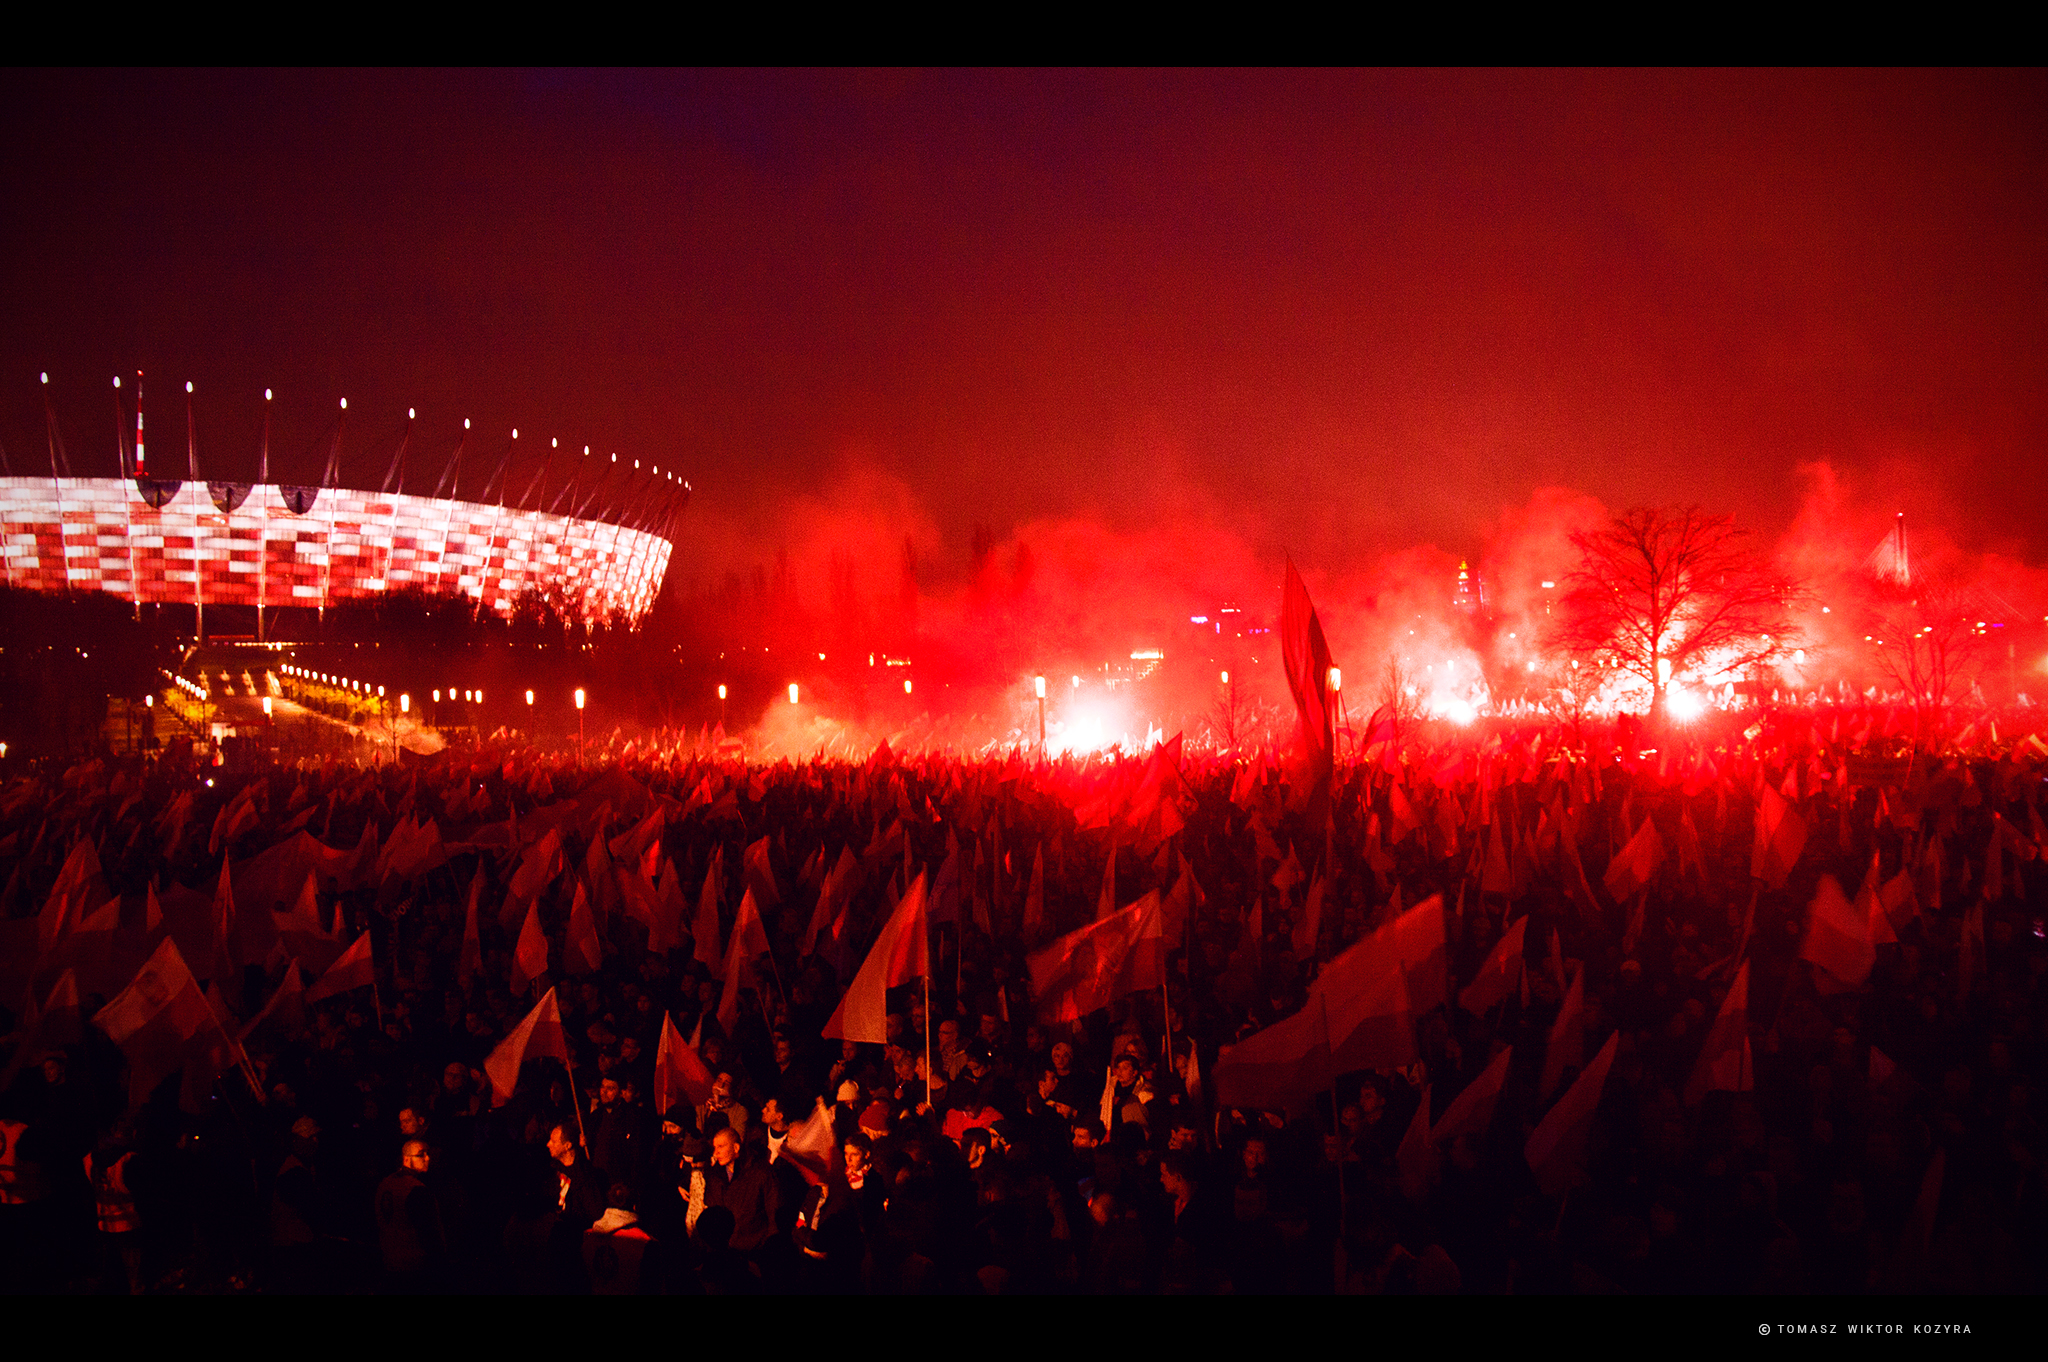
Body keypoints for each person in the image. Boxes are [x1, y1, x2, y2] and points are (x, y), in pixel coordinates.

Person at [373, 1138, 446, 1290]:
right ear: (406, 1159)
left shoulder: (385, 1183)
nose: (428, 1158)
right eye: (421, 1154)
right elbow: (429, 1233)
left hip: (389, 1260)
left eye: (428, 1153)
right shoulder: (415, 1190)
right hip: (415, 1265)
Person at [700, 1125, 778, 1253]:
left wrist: (768, 1247)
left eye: (721, 1147)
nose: (716, 1153)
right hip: (724, 1251)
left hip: (753, 1251)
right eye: (714, 1147)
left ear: (736, 1147)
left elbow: (774, 1213)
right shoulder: (714, 1176)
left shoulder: (761, 1173)